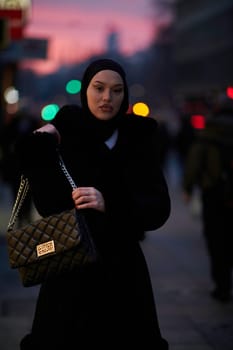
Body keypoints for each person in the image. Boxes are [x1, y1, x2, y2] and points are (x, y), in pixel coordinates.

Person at [16, 58, 171, 349]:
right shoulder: (66, 136)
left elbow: (158, 207)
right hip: (70, 266)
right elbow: (48, 204)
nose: (106, 98)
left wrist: (109, 201)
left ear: (126, 95)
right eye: (98, 88)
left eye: (116, 90)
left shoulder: (138, 139)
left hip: (123, 271)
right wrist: (42, 145)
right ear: (85, 90)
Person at [182, 104, 233, 303]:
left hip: (213, 195)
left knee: (216, 240)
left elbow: (194, 164)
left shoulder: (207, 135)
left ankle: (222, 286)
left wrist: (188, 188)